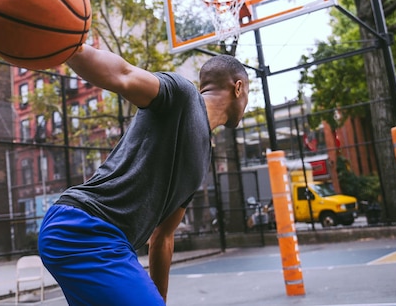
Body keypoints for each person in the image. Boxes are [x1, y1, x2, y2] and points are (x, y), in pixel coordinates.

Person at [38, 44, 250, 305]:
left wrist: (159, 299)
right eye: (248, 93)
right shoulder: (182, 96)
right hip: (85, 229)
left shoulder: (203, 155)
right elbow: (124, 75)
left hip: (105, 240)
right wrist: (69, 45)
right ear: (238, 88)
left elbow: (163, 237)